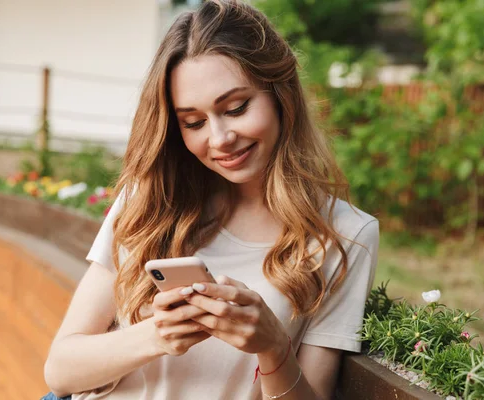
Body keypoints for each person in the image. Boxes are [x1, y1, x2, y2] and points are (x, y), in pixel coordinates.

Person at [42, 1, 379, 399]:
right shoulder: (150, 200)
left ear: (280, 95)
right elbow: (60, 372)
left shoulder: (344, 234)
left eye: (236, 108)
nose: (219, 139)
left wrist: (273, 349)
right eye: (194, 122)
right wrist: (158, 335)